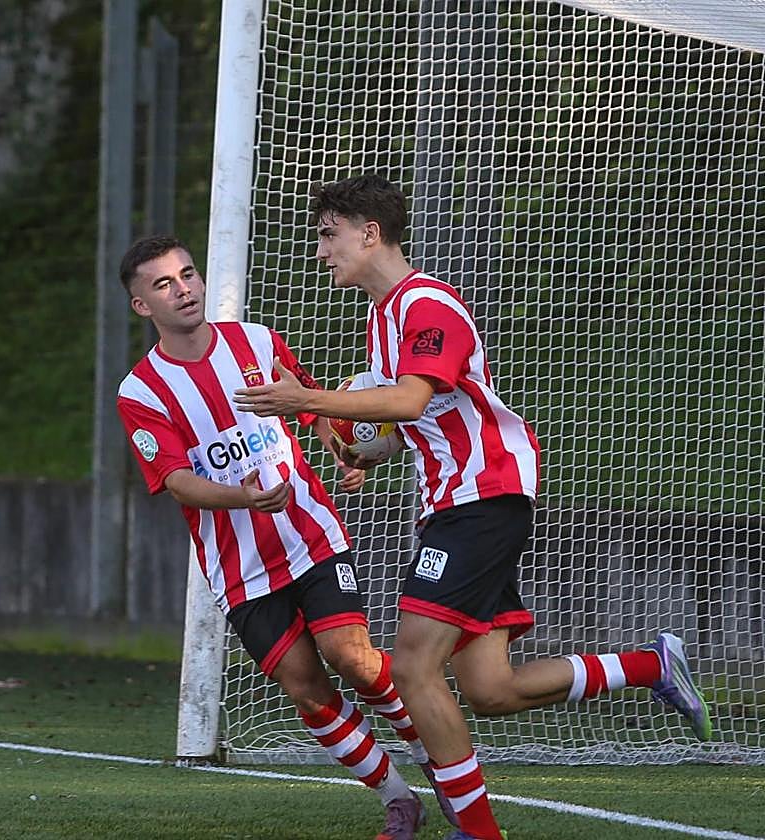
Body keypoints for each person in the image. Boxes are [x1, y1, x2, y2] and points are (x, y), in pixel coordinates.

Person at [233, 173, 713, 840]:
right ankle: (651, 665)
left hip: (482, 495)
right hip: (457, 501)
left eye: (328, 235)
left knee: (411, 668)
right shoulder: (384, 317)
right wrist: (363, 452)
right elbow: (416, 418)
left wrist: (306, 400)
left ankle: (478, 833)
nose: (320, 251)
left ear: (369, 234)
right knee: (489, 689)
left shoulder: (428, 305)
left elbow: (408, 400)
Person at [116, 234, 456, 840]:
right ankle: (397, 798)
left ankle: (436, 760)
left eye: (188, 274)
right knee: (307, 689)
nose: (184, 290)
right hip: (241, 568)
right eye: (164, 284)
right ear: (143, 305)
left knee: (352, 657)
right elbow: (176, 481)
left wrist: (340, 446)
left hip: (310, 535)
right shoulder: (140, 392)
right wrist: (242, 498)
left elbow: (306, 403)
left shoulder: (256, 340)